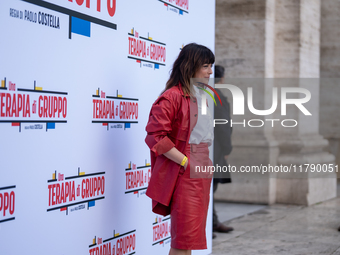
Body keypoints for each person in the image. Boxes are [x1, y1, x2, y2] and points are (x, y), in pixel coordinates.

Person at [145, 43, 215, 255]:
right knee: (182, 242)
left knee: (189, 240)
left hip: (201, 171)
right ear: (190, 66)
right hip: (186, 172)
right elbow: (156, 136)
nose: (210, 71)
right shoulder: (172, 96)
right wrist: (185, 162)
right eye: (205, 65)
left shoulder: (201, 95)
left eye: (211, 66)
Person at [213, 65, 234, 237]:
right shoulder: (216, 96)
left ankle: (212, 222)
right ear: (222, 79)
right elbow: (223, 126)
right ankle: (209, 224)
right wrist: (227, 147)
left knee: (210, 188)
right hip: (215, 150)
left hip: (213, 149)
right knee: (209, 188)